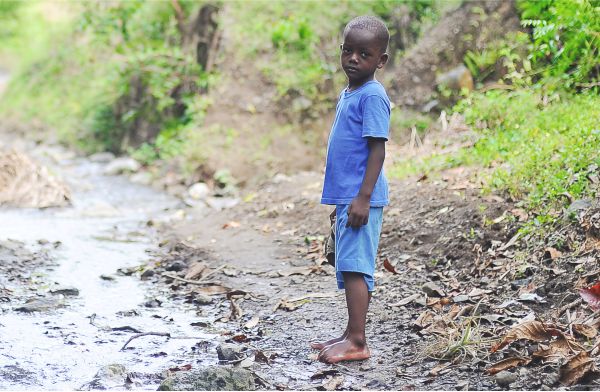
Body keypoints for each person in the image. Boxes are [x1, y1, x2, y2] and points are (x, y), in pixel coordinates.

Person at [311, 15, 391, 364]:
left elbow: (377, 150)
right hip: (350, 198)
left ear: (381, 61)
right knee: (347, 264)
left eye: (364, 53)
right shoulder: (351, 92)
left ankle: (358, 340)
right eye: (348, 51)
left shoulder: (372, 95)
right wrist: (343, 201)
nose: (353, 59)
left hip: (362, 197)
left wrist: (362, 197)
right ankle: (348, 333)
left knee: (357, 266)